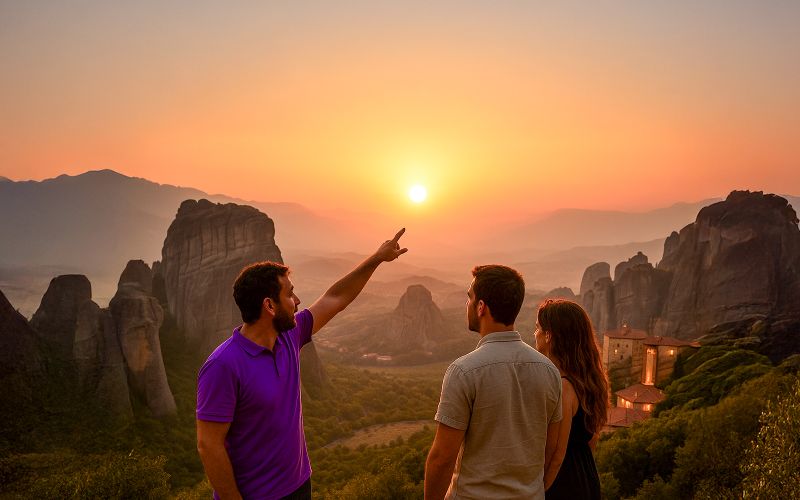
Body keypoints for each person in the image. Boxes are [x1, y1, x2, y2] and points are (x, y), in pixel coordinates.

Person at [196, 229, 408, 500]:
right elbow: (209, 445)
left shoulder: (289, 337)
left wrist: (376, 259)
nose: (297, 302)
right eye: (290, 294)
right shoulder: (223, 365)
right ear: (269, 305)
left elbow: (335, 299)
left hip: (299, 486)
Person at [425, 265, 563, 499]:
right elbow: (550, 450)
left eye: (470, 297)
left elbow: (442, 458)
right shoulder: (549, 371)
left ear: (481, 307)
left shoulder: (464, 371)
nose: (467, 304)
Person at [535, 299, 609, 500]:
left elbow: (555, 454)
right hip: (585, 475)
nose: (535, 334)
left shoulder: (564, 387)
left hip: (562, 484)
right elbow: (592, 440)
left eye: (538, 328)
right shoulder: (587, 382)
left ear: (549, 335)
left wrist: (538, 491)